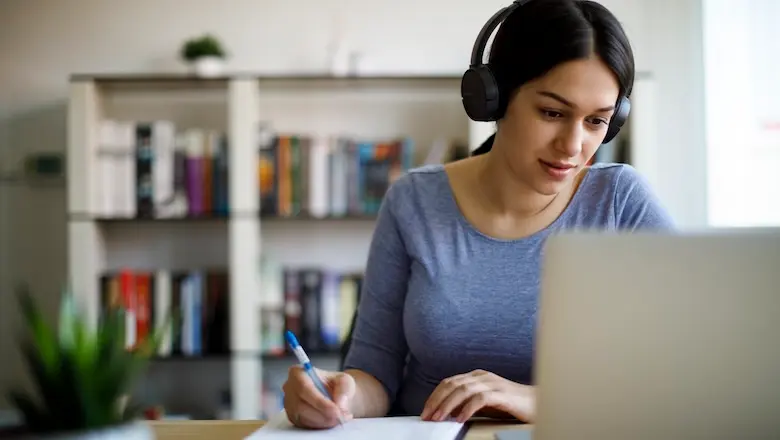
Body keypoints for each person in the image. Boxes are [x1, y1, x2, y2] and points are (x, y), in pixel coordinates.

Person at [281, 0, 675, 429]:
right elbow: (374, 375)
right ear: (493, 99)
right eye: (552, 113)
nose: (573, 145)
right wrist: (337, 393)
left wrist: (539, 400)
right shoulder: (413, 201)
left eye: (597, 121)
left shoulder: (620, 202)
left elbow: (685, 368)